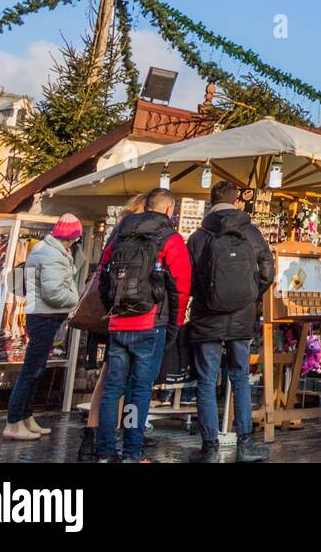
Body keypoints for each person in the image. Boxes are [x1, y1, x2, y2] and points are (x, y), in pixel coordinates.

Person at [95, 187, 191, 463]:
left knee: (113, 389)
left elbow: (102, 274)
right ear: (169, 210)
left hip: (118, 322)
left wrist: (112, 308)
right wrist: (174, 323)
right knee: (139, 390)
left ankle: (104, 452)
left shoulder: (121, 235)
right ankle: (132, 452)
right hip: (150, 323)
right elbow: (181, 287)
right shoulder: (170, 239)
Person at [185, 181, 274, 463]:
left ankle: (209, 447)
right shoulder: (252, 233)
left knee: (207, 380)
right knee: (240, 377)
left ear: (211, 202)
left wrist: (206, 296)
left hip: (207, 315)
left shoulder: (199, 236)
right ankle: (245, 444)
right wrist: (249, 295)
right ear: (237, 202)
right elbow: (267, 273)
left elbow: (188, 279)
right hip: (241, 316)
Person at [77, 193, 147, 461]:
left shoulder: (117, 234)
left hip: (109, 315)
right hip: (123, 316)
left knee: (109, 380)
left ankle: (92, 435)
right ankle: (117, 433)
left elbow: (104, 271)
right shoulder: (133, 237)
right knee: (119, 382)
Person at [4, 214, 84, 442]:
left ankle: (25, 417)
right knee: (31, 371)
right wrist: (76, 297)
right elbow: (54, 293)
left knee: (36, 371)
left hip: (43, 315)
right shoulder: (51, 254)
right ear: (70, 237)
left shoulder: (51, 251)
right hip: (44, 316)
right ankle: (13, 421)